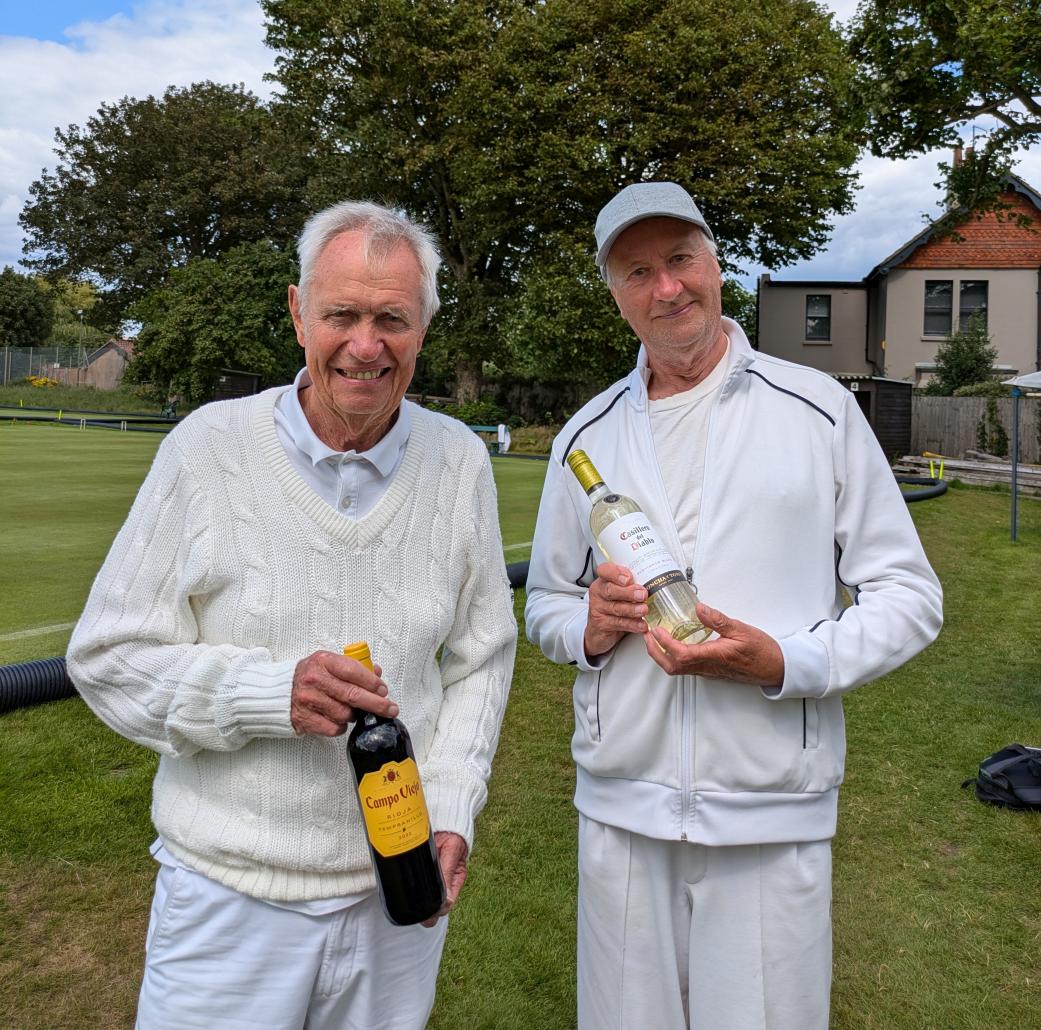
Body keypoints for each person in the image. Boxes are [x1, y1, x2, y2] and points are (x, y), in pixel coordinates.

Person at [67, 200, 517, 1029]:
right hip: (230, 899)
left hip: (399, 894)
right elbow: (107, 658)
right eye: (341, 313)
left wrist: (452, 803)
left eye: (393, 318)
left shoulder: (457, 459)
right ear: (297, 311)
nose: (366, 343)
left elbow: (482, 655)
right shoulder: (209, 446)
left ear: (422, 329)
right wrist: (268, 696)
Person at [524, 182, 943, 1030]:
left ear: (716, 263)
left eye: (680, 260)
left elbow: (908, 595)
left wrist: (788, 663)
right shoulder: (585, 437)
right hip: (621, 809)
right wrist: (591, 629)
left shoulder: (816, 410)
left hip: (769, 808)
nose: (666, 288)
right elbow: (545, 604)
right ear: (615, 296)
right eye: (637, 272)